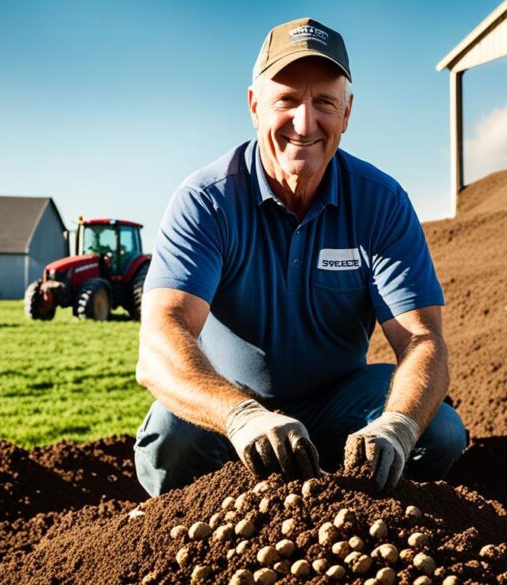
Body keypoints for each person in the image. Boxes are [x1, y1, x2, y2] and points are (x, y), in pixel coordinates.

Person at [133, 18, 468, 496]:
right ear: (254, 106)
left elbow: (422, 337)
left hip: (339, 405)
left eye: (324, 103)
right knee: (172, 445)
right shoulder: (207, 200)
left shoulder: (381, 203)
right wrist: (241, 415)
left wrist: (396, 425)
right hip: (232, 408)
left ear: (347, 111)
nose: (305, 123)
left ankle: (348, 496)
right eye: (286, 100)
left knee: (437, 434)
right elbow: (159, 339)